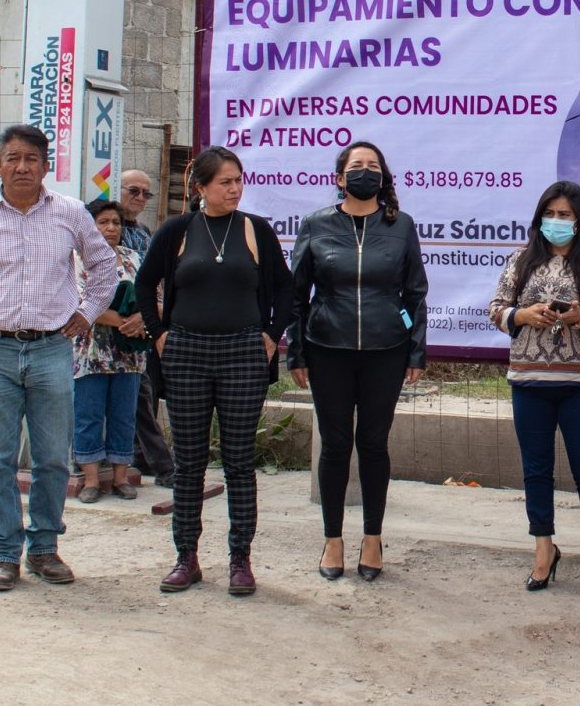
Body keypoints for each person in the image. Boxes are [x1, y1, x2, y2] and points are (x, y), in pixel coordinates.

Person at [0, 125, 117, 593]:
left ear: (45, 165)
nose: (22, 167)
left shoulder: (71, 213)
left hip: (51, 349)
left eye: (31, 158)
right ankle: (3, 555)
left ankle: (43, 549)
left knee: (53, 457)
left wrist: (88, 312)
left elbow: (104, 268)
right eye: (12, 158)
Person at [135, 147, 293, 596]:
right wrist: (159, 334)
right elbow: (146, 283)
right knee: (189, 463)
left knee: (240, 462)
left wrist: (271, 335)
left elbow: (285, 286)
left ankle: (240, 560)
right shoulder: (178, 230)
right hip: (185, 351)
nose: (235, 188)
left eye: (239, 180)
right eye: (225, 182)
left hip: (243, 351)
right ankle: (186, 557)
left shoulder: (255, 230)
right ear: (201, 188)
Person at [288, 140, 429, 582]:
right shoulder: (316, 225)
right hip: (327, 349)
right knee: (334, 446)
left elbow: (416, 293)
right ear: (339, 177)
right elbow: (296, 295)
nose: (364, 172)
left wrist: (416, 350)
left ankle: (372, 537)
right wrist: (296, 350)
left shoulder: (401, 226)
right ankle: (333, 539)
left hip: (386, 352)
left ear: (383, 178)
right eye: (356, 166)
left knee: (372, 444)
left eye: (372, 166)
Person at [488, 181, 580, 596]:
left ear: (579, 220)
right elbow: (496, 309)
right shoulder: (521, 260)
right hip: (529, 382)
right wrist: (524, 315)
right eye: (550, 214)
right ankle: (543, 549)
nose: (557, 222)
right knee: (536, 470)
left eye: (565, 215)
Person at [73, 198, 149, 504]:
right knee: (88, 414)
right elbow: (77, 300)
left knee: (124, 415)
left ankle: (120, 477)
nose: (111, 228)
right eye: (103, 222)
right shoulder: (76, 259)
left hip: (128, 354)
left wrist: (142, 318)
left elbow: (153, 294)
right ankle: (91, 480)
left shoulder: (133, 258)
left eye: (116, 223)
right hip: (90, 351)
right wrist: (120, 321)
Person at [118, 168, 174, 488]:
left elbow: (154, 282)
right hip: (109, 328)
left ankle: (142, 457)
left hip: (145, 326)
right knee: (135, 396)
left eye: (145, 194)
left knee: (146, 393)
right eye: (133, 191)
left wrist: (152, 315)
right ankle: (162, 464)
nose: (139, 198)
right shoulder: (99, 230)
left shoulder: (144, 234)